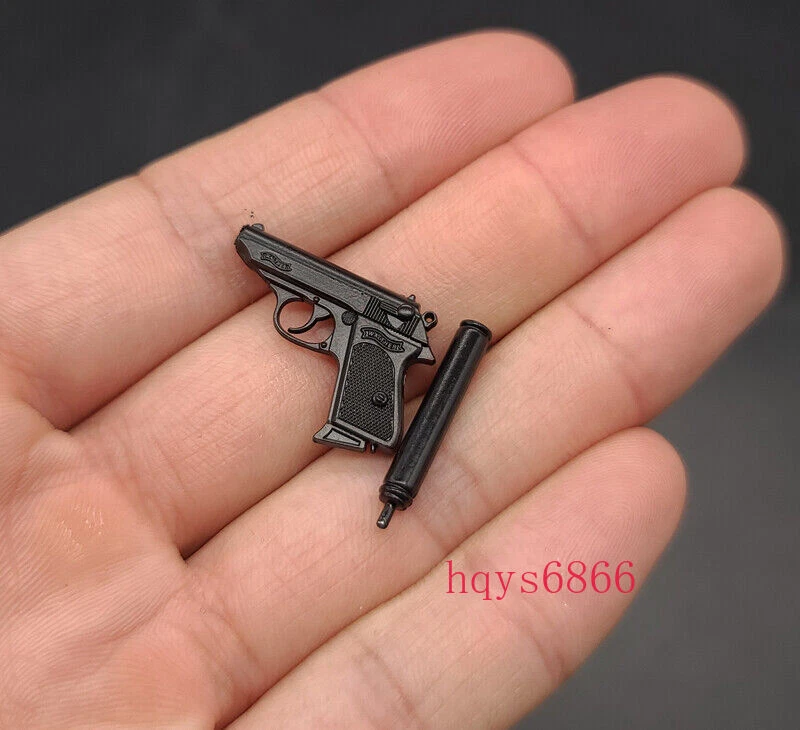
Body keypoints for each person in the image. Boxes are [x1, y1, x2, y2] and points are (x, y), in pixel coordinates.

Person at [0, 30, 783, 728]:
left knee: (365, 381)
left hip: (381, 336)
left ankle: (364, 426)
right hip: (381, 330)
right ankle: (364, 423)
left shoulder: (368, 327)